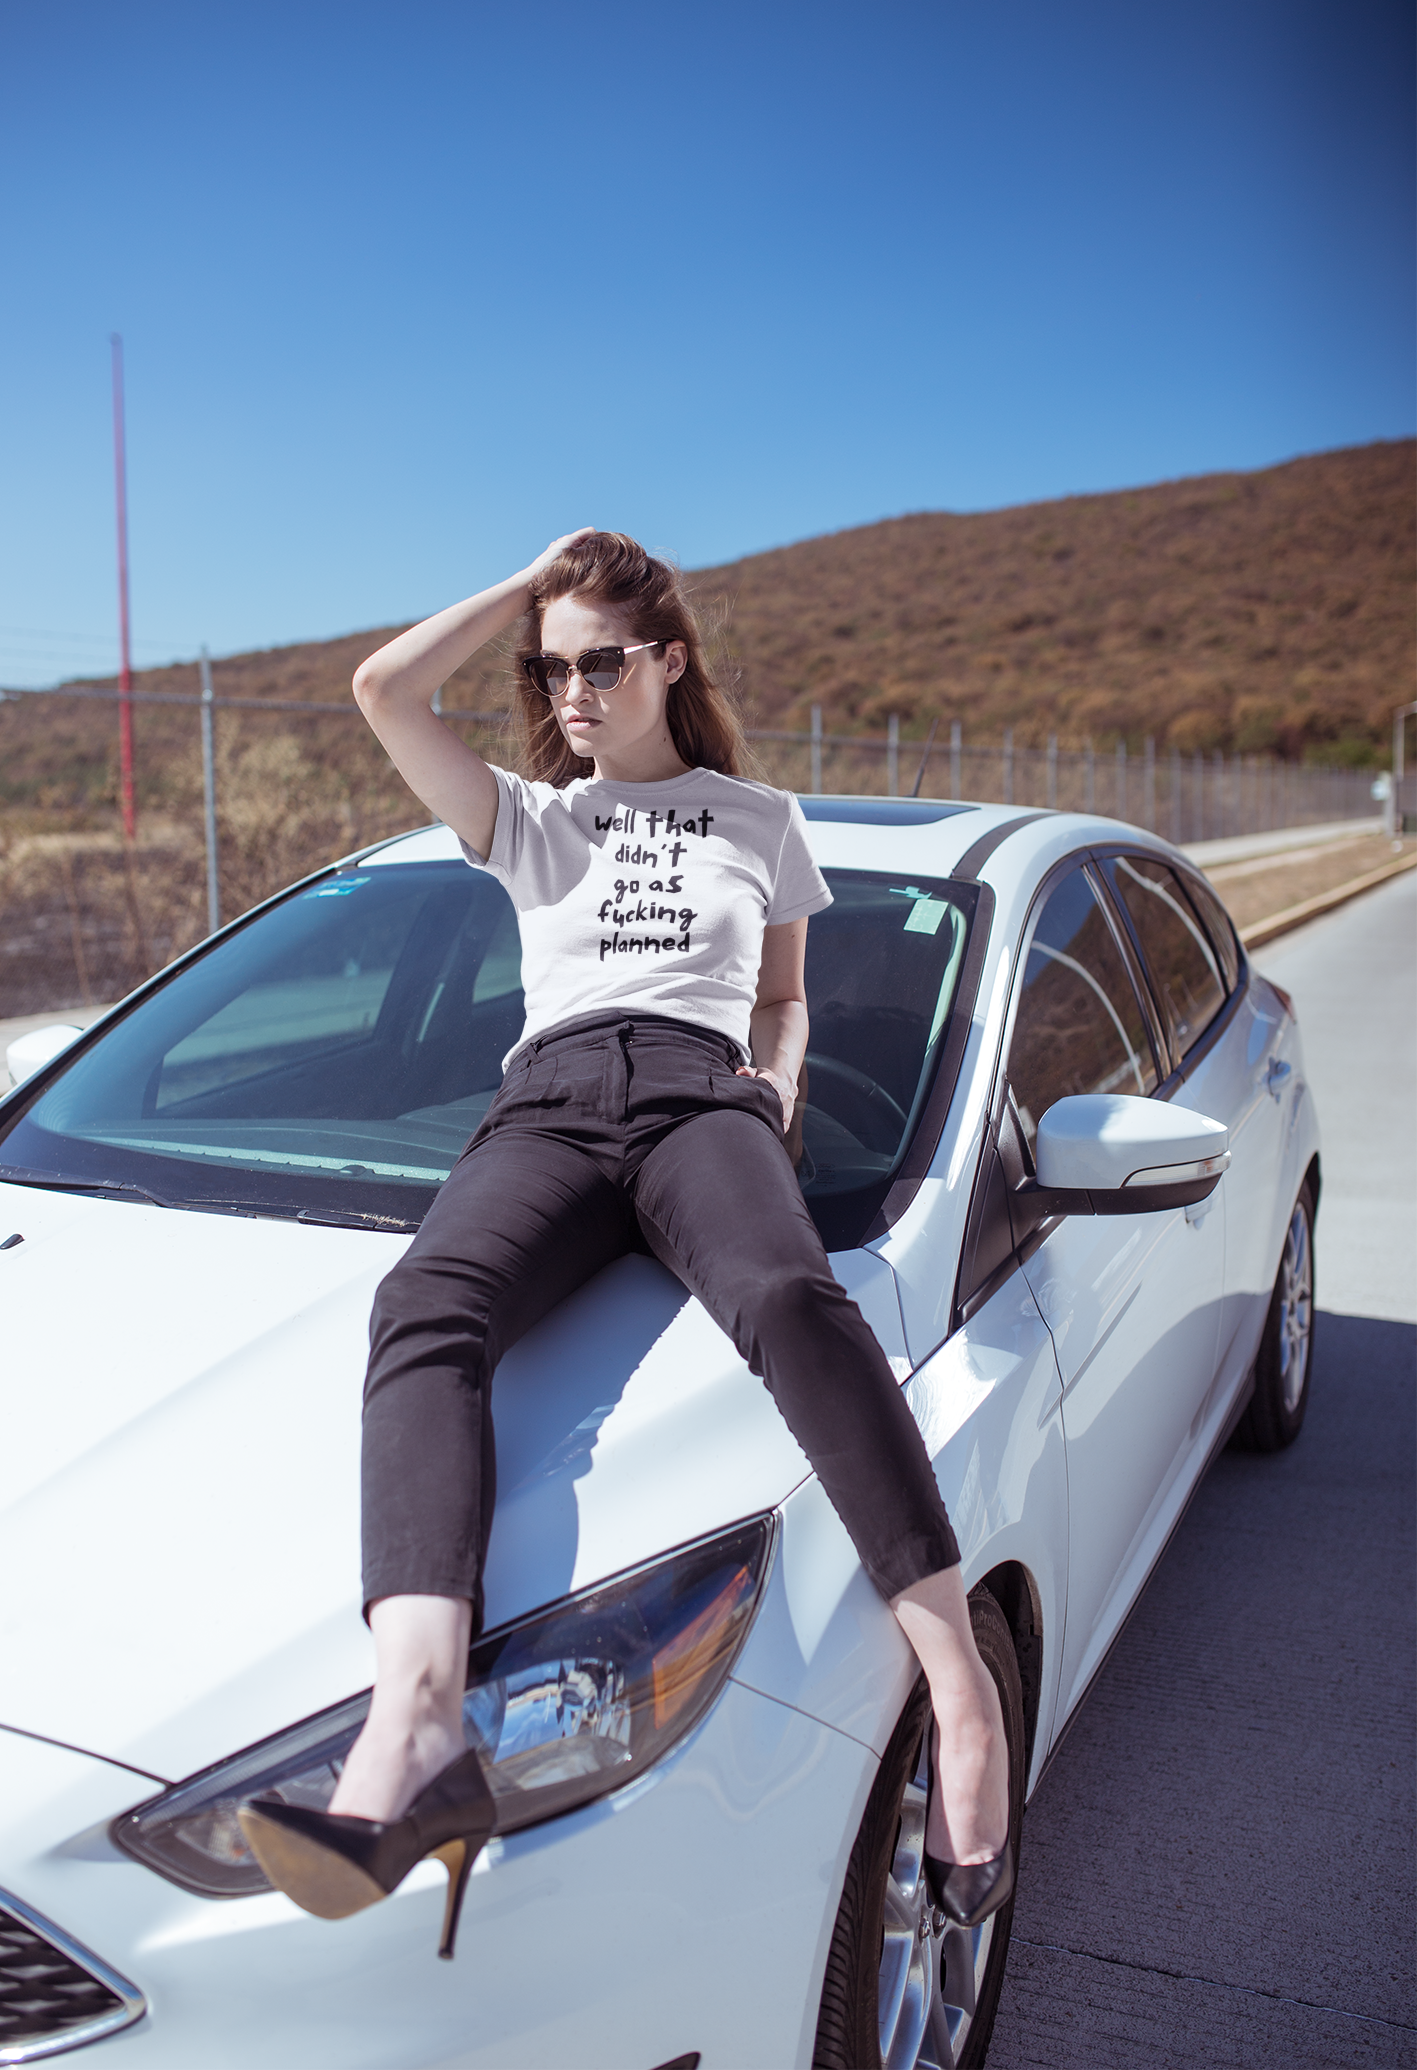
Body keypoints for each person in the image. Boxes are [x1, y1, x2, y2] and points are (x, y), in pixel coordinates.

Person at [239, 530, 1011, 1960]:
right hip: (547, 1100)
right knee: (423, 1307)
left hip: (697, 1099)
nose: (573, 689)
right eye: (553, 667)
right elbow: (380, 687)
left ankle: (954, 1675)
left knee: (789, 1293)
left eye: (603, 660)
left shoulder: (758, 817)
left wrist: (774, 1085)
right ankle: (414, 1722)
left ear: (668, 662)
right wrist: (523, 580)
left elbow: (783, 996)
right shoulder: (535, 819)